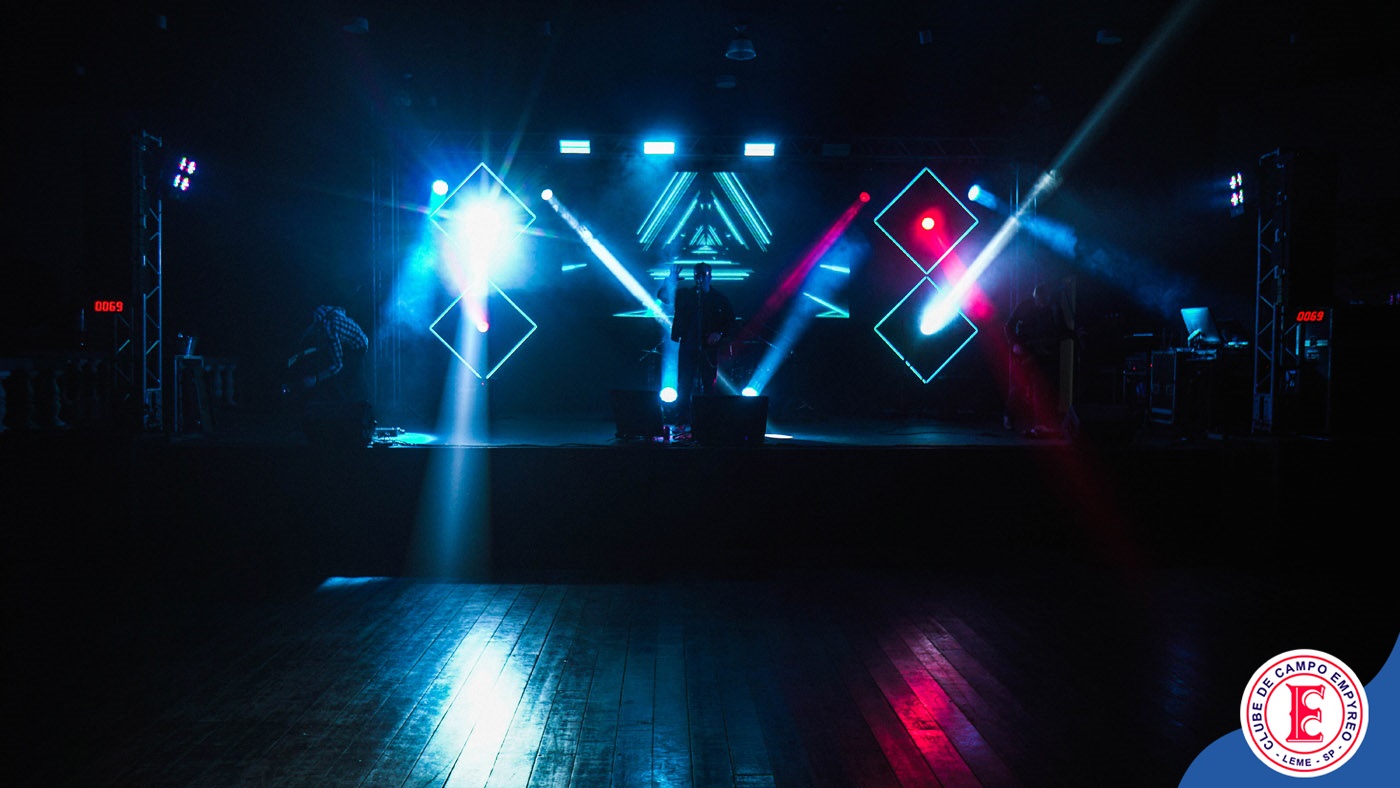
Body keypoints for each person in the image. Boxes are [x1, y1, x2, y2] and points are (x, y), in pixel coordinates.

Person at [657, 262, 734, 427]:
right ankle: (683, 420)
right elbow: (663, 297)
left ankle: (709, 420)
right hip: (688, 344)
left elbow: (730, 321)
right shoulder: (685, 294)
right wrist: (670, 281)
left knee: (709, 383)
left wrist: (719, 333)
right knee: (684, 383)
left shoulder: (719, 298)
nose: (700, 278)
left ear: (710, 276)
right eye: (697, 274)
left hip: (709, 348)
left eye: (703, 274)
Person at [1003, 281, 1071, 436]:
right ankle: (1008, 416)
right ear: (1035, 298)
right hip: (1025, 352)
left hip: (1043, 354)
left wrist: (1074, 334)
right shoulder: (1025, 307)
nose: (1043, 305)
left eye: (1045, 302)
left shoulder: (1054, 308)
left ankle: (1041, 423)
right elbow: (1008, 326)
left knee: (1042, 389)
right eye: (1040, 302)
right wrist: (1015, 344)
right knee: (1019, 386)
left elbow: (1061, 330)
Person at [287, 304, 370, 403]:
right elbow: (341, 310)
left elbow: (338, 365)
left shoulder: (330, 329)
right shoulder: (323, 311)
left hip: (358, 346)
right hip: (353, 340)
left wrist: (316, 378)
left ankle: (353, 402)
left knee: (343, 376)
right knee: (343, 372)